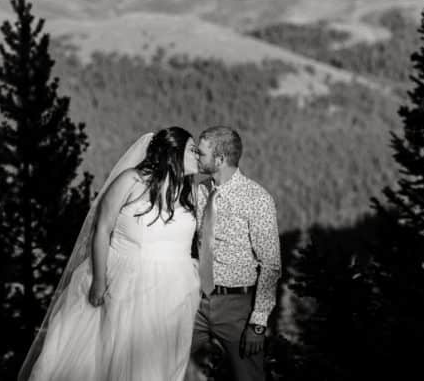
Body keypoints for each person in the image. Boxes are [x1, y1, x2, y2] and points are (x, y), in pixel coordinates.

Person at [18, 127, 201, 381]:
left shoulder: (188, 191)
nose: (199, 154)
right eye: (192, 149)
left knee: (164, 364)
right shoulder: (132, 181)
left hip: (175, 291)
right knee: (111, 361)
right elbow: (102, 229)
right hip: (125, 283)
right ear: (173, 152)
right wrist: (100, 281)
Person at [187, 126, 281, 381]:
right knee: (163, 365)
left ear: (219, 159)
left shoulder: (257, 198)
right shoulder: (199, 191)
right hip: (193, 302)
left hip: (237, 307)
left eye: (201, 153)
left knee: (249, 378)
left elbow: (270, 264)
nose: (196, 157)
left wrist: (258, 323)